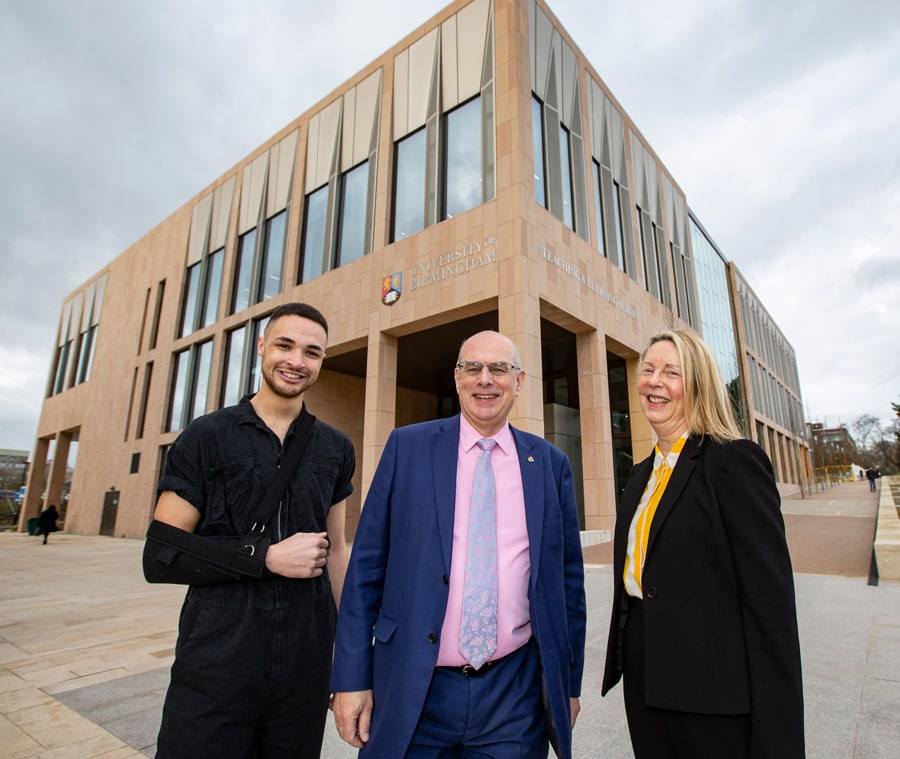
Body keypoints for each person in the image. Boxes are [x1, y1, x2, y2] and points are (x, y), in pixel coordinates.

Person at [331, 330, 586, 758]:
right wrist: (351, 678)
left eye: (499, 369)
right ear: (457, 378)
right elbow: (366, 571)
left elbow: (567, 584)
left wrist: (567, 685)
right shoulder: (406, 447)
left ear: (519, 381)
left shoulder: (548, 465)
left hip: (513, 696)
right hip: (415, 687)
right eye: (473, 368)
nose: (485, 379)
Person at [143, 303, 355, 759]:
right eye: (285, 345)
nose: (297, 361)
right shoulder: (206, 436)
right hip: (219, 651)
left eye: (312, 352)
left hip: (306, 655)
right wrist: (265, 557)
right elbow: (161, 555)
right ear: (261, 347)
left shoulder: (336, 448)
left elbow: (336, 550)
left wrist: (350, 654)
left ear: (322, 360)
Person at [601, 330, 804, 758]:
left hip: (713, 703)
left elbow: (771, 609)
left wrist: (778, 739)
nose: (655, 381)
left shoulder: (733, 461)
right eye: (649, 369)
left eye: (672, 372)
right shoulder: (639, 475)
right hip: (646, 686)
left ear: (697, 385)